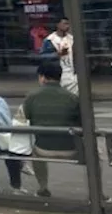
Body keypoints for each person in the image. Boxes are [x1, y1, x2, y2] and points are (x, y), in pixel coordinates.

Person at [22, 61, 81, 198]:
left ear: (42, 77)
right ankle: (99, 194)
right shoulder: (72, 97)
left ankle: (43, 188)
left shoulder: (31, 96)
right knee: (96, 156)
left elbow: (24, 118)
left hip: (43, 148)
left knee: (35, 154)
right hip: (71, 149)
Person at [40, 18, 78, 96]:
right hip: (57, 73)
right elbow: (42, 56)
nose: (67, 26)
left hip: (71, 72)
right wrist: (57, 54)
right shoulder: (50, 40)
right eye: (64, 24)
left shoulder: (71, 39)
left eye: (68, 24)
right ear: (58, 25)